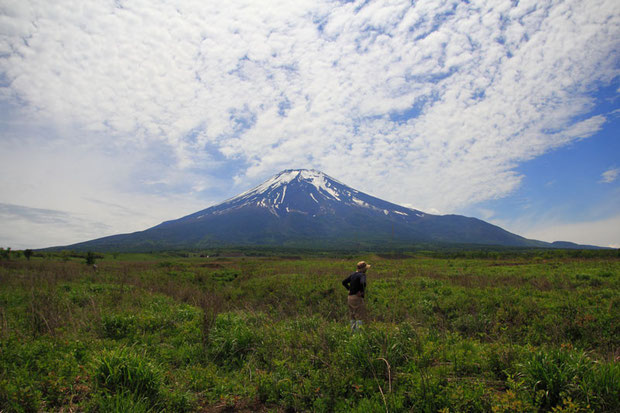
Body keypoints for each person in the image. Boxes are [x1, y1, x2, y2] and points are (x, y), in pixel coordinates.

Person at [342, 261, 370, 332]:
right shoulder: (362, 275)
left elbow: (344, 282)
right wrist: (361, 291)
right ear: (363, 269)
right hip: (357, 298)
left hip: (350, 297)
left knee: (352, 316)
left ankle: (352, 333)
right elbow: (363, 282)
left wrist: (349, 289)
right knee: (360, 316)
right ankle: (358, 335)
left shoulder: (353, 274)